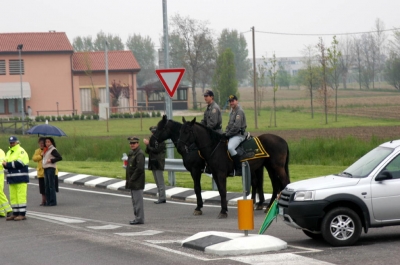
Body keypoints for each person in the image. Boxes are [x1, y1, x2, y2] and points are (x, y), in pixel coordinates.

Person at [2, 136, 29, 221]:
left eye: (13, 142)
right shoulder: (9, 152)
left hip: (20, 178)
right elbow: (4, 162)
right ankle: (15, 213)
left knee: (21, 196)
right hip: (12, 178)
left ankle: (22, 214)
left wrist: (8, 164)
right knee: (13, 196)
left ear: (17, 142)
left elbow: (20, 163)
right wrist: (6, 164)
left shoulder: (21, 151)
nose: (12, 144)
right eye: (10, 142)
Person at [223, 95, 247, 176]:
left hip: (238, 135)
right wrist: (225, 133)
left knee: (230, 147)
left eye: (233, 101)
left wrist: (227, 134)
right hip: (232, 134)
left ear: (237, 101)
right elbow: (229, 125)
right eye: (230, 101)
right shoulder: (232, 111)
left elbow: (236, 127)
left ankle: (239, 169)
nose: (231, 103)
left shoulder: (239, 111)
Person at [144, 126, 166, 204]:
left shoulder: (160, 140)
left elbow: (156, 150)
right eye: (152, 132)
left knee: (160, 181)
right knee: (157, 181)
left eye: (154, 132)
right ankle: (161, 197)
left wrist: (148, 144)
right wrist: (148, 145)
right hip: (153, 162)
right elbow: (147, 151)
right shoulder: (152, 140)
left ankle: (162, 197)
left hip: (158, 162)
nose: (153, 134)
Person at [125, 136, 145, 225]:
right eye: (131, 143)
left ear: (138, 143)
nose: (132, 145)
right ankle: (137, 217)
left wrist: (132, 179)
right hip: (132, 181)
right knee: (135, 201)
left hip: (137, 181)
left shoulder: (139, 154)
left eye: (134, 143)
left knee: (138, 201)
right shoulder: (132, 153)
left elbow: (140, 168)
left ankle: (140, 218)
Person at [42, 137, 62, 206]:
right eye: (46, 142)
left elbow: (59, 157)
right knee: (47, 185)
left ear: (51, 142)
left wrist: (51, 160)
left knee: (51, 185)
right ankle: (48, 201)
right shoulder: (46, 150)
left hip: (50, 168)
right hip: (45, 168)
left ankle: (53, 201)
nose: (47, 143)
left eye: (48, 142)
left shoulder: (53, 149)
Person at [32, 137, 47, 206]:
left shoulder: (47, 150)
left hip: (47, 171)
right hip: (40, 172)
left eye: (43, 143)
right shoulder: (37, 151)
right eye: (40, 143)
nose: (41, 145)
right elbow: (34, 158)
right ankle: (43, 200)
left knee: (48, 187)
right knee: (42, 188)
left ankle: (48, 200)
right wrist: (41, 155)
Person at [0, 148, 12, 218]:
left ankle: (9, 210)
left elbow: (2, 162)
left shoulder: (0, 151)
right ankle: (1, 211)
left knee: (0, 192)